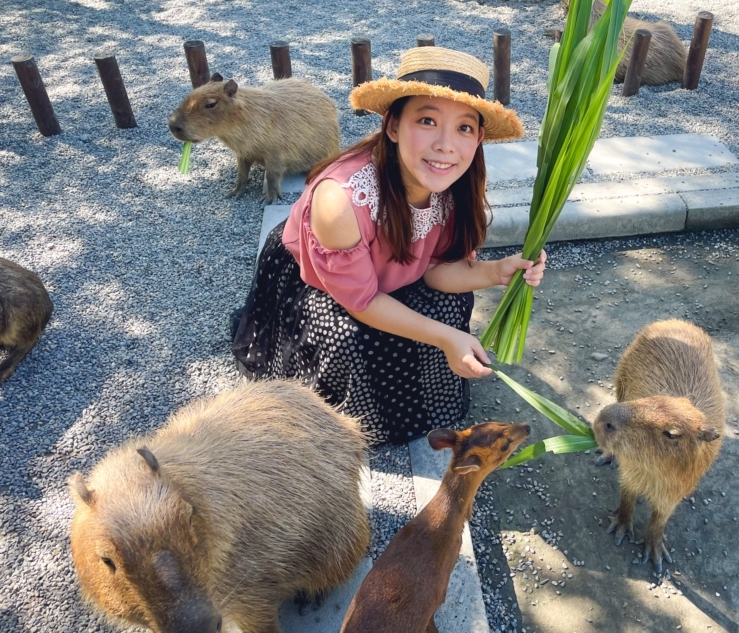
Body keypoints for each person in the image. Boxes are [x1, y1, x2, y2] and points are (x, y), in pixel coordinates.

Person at [231, 46, 546, 447]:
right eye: (427, 120)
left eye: (464, 128)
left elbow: (434, 267)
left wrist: (495, 272)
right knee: (346, 335)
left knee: (453, 304)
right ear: (392, 125)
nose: (447, 145)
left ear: (479, 138)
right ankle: (353, 421)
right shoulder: (341, 200)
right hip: (325, 283)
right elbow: (360, 300)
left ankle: (420, 397)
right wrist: (445, 339)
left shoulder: (450, 182)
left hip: (392, 268)